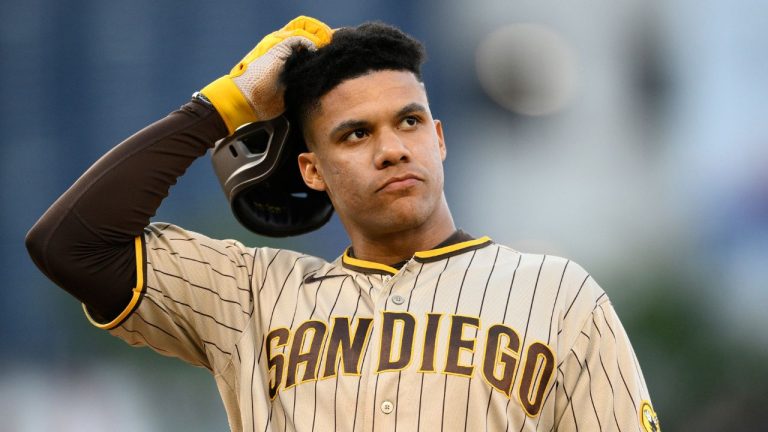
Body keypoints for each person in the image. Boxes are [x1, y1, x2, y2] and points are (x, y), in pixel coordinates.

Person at [26, 16, 660, 432]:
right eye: (356, 134)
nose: (391, 149)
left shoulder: (557, 293)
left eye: (409, 122)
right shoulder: (254, 296)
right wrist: (227, 105)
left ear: (439, 139)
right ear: (312, 171)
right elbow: (71, 244)